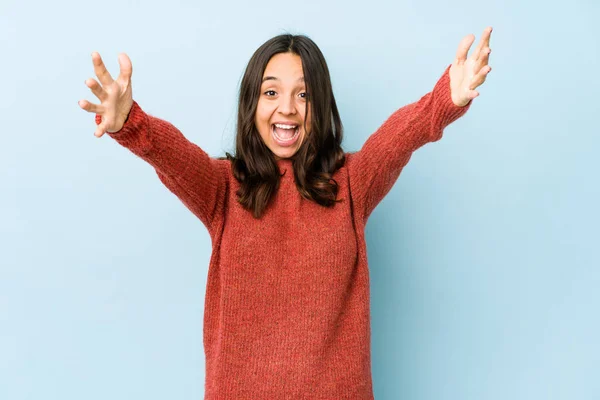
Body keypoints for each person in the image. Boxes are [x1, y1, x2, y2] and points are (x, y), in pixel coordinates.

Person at [78, 27, 493, 399]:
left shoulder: (351, 183)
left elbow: (399, 139)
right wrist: (129, 123)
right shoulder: (221, 189)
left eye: (304, 94)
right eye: (271, 92)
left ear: (321, 104)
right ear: (251, 102)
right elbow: (174, 157)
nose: (288, 109)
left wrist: (445, 100)